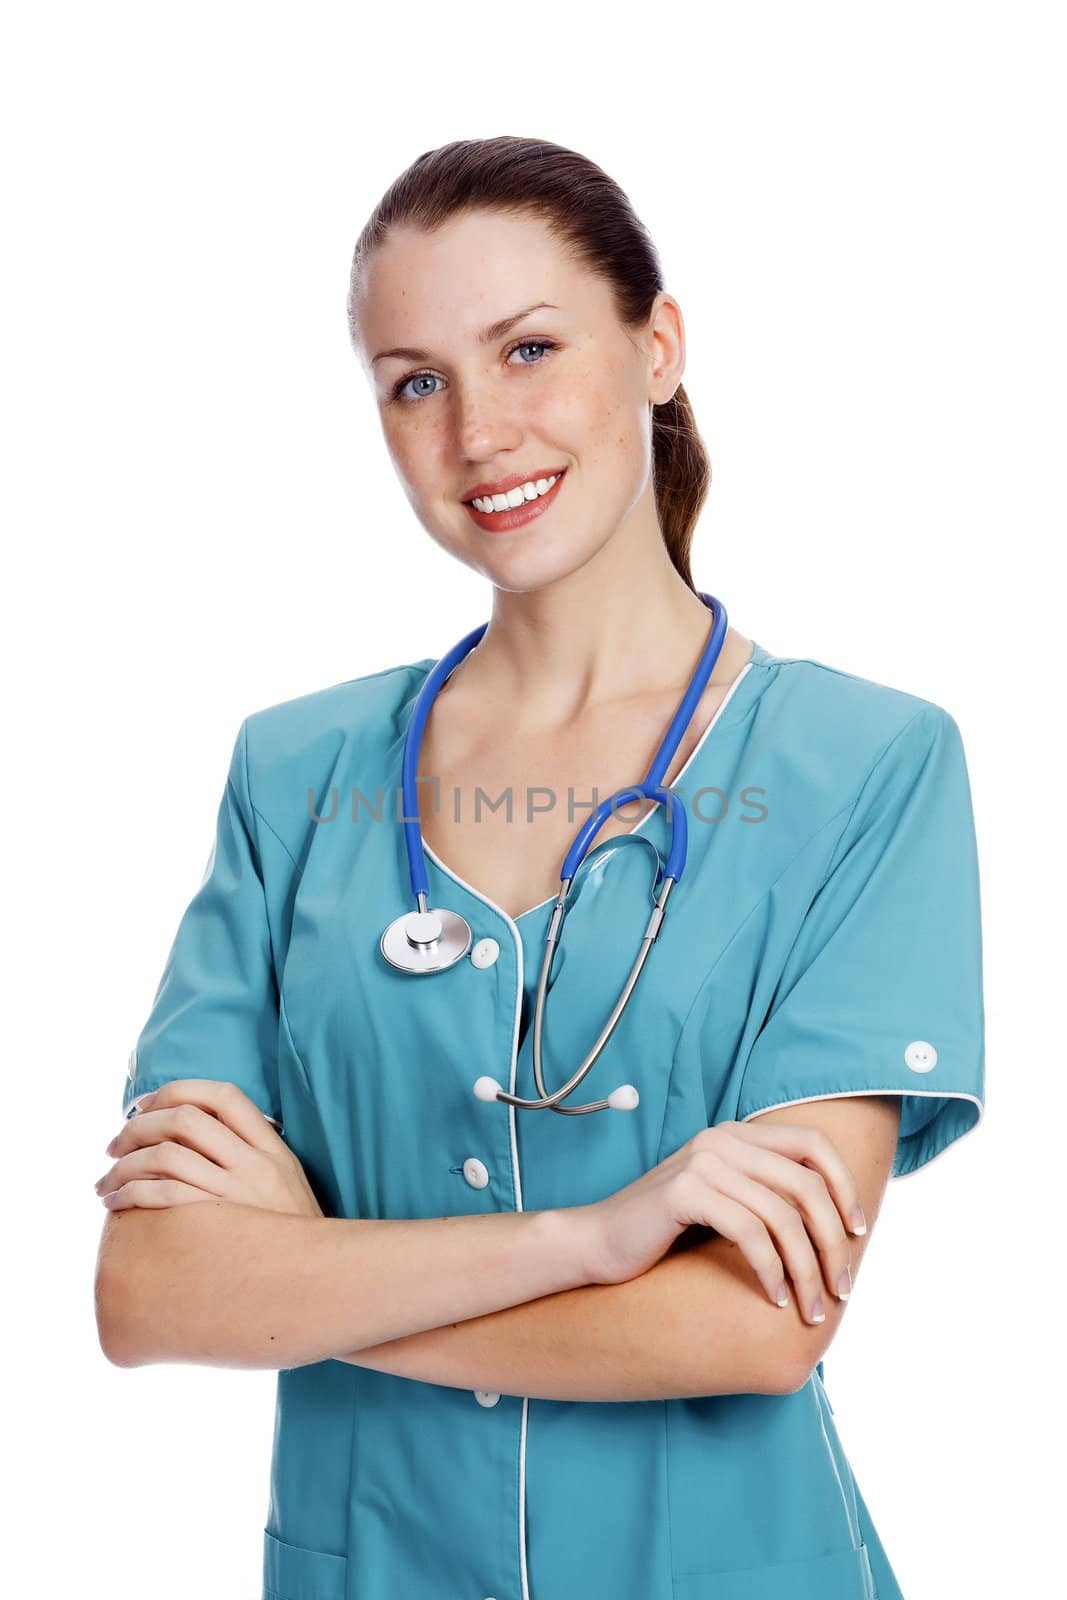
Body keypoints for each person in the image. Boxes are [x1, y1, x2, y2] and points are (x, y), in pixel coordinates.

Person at [94, 136, 985, 1600]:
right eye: (415, 380)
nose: (477, 433)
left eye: (527, 350)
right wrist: (597, 1237)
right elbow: (148, 1294)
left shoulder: (865, 767)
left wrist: (301, 1282)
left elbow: (750, 1325)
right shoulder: (293, 775)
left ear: (658, 348)